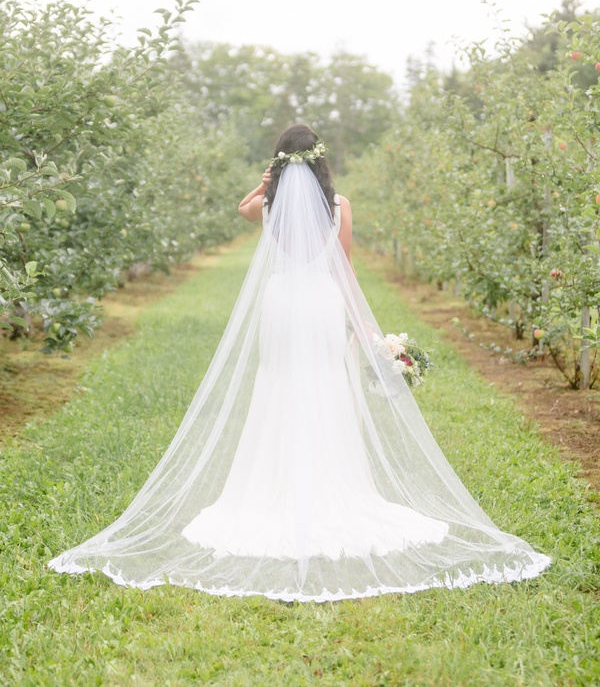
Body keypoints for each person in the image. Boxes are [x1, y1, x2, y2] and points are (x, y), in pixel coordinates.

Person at [49, 124, 550, 601]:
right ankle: (334, 483)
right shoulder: (339, 206)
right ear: (322, 162)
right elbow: (345, 268)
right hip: (321, 302)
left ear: (278, 165)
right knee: (327, 383)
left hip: (282, 302)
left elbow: (241, 207)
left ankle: (274, 483)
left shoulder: (267, 209)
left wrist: (266, 182)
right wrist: (365, 325)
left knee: (279, 384)